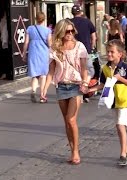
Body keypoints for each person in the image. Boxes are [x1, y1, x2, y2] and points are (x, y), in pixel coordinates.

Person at [41, 19, 88, 165]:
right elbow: (51, 71)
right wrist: (43, 90)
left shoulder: (79, 46)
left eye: (72, 31)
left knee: (71, 119)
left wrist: (85, 83)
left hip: (76, 86)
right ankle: (72, 149)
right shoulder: (55, 48)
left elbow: (84, 68)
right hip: (61, 86)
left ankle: (75, 152)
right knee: (66, 122)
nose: (70, 34)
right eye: (67, 31)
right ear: (61, 32)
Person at [88, 39, 127, 166]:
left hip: (124, 100)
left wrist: (121, 79)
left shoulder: (126, 67)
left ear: (120, 54)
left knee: (120, 125)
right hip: (112, 101)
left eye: (112, 52)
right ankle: (126, 148)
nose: (109, 54)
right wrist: (90, 89)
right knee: (119, 127)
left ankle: (123, 154)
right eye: (108, 52)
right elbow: (102, 84)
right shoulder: (105, 68)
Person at [22, 12, 52, 103]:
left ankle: (33, 90)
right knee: (43, 75)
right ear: (44, 19)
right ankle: (42, 94)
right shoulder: (47, 30)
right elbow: (50, 44)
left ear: (36, 19)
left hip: (33, 53)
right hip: (43, 53)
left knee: (35, 75)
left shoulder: (30, 28)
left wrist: (24, 53)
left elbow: (26, 42)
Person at [70, 4, 96, 103]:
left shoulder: (69, 23)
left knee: (76, 72)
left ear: (72, 13)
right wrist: (92, 47)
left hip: (72, 51)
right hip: (85, 51)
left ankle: (77, 94)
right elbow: (93, 37)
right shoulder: (87, 22)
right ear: (81, 12)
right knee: (89, 71)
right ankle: (83, 89)